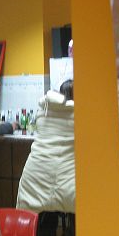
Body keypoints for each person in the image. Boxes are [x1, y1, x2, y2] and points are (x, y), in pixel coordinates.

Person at [17, 79, 75, 215]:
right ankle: (70, 235)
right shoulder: (81, 115)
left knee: (37, 222)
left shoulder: (43, 111)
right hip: (69, 182)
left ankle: (44, 235)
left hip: (34, 178)